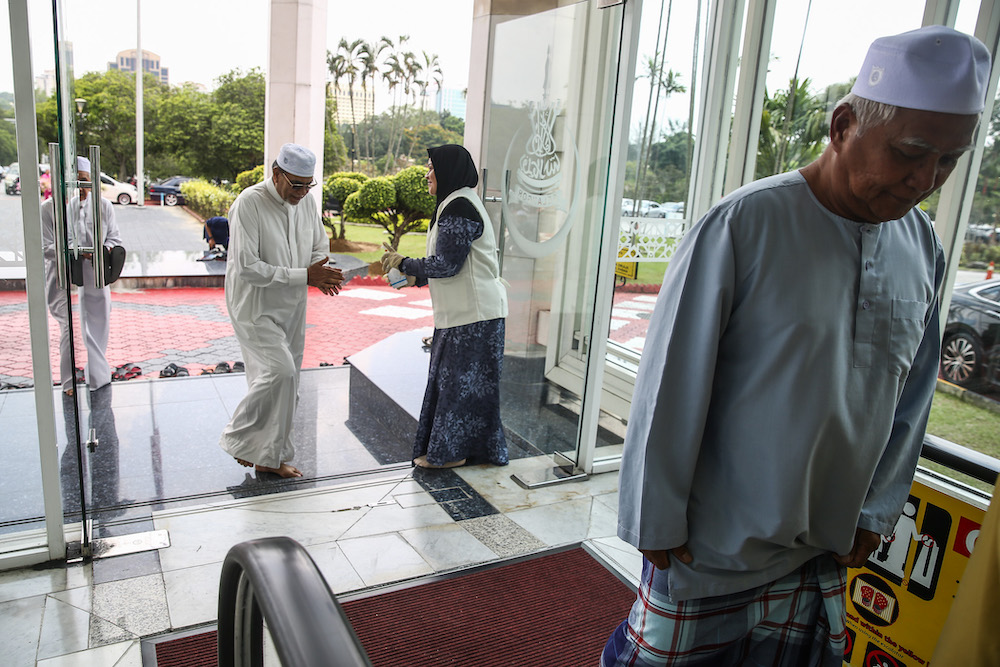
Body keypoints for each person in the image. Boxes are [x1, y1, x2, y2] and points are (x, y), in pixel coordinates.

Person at [602, 25, 990, 667]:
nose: (926, 178)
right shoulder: (744, 225)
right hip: (711, 547)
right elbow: (671, 381)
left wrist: (878, 509)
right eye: (910, 152)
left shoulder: (921, 246)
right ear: (842, 126)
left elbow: (912, 397)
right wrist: (653, 520)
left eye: (946, 161)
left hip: (824, 549)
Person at [218, 143, 343, 478]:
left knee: (290, 383)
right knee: (280, 372)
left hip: (293, 304)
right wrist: (306, 275)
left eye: (308, 185)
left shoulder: (306, 201)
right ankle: (240, 439)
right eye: (295, 185)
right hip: (254, 305)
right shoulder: (250, 202)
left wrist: (320, 271)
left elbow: (319, 243)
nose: (301, 193)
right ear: (276, 173)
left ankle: (270, 457)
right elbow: (247, 267)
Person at [380, 144, 509, 469]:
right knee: (461, 387)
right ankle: (471, 451)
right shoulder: (457, 203)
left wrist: (405, 263)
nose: (427, 174)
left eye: (431, 167)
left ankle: (451, 454)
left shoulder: (460, 206)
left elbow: (448, 264)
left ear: (448, 171)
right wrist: (412, 278)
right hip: (470, 316)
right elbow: (455, 264)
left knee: (458, 388)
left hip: (474, 318)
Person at [40, 156, 122, 397]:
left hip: (94, 277)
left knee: (98, 324)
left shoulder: (103, 206)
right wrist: (76, 253)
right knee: (69, 328)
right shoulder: (50, 209)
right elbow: (45, 247)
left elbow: (114, 239)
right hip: (62, 277)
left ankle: (97, 376)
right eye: (75, 182)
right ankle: (68, 383)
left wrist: (101, 251)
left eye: (85, 181)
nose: (81, 187)